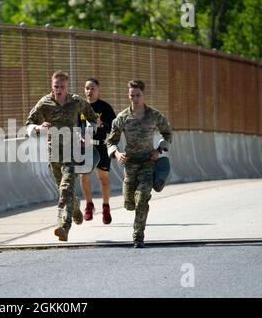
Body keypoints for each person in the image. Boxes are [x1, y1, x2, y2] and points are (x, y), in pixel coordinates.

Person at [25, 70, 98, 242]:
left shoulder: (76, 101)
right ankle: (75, 208)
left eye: (62, 87)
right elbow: (29, 123)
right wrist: (38, 128)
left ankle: (63, 227)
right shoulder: (45, 103)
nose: (59, 90)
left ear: (67, 87)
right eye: (56, 86)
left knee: (65, 189)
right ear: (52, 86)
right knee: (63, 189)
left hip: (72, 150)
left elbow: (92, 119)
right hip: (54, 152)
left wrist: (87, 135)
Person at [106, 79, 172, 248]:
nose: (135, 98)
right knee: (129, 203)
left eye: (138, 95)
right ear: (128, 96)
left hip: (148, 162)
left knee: (142, 197)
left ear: (143, 95)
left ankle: (138, 237)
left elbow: (167, 134)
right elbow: (110, 141)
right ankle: (136, 205)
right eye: (132, 95)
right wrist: (117, 153)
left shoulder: (154, 116)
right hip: (130, 164)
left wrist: (159, 150)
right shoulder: (122, 118)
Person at [78, 78, 116, 224]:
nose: (89, 91)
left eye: (92, 88)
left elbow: (114, 128)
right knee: (83, 176)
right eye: (87, 88)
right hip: (85, 146)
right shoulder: (80, 107)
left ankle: (105, 207)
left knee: (103, 179)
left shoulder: (105, 107)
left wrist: (102, 124)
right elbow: (74, 126)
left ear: (98, 89)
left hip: (101, 146)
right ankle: (89, 205)